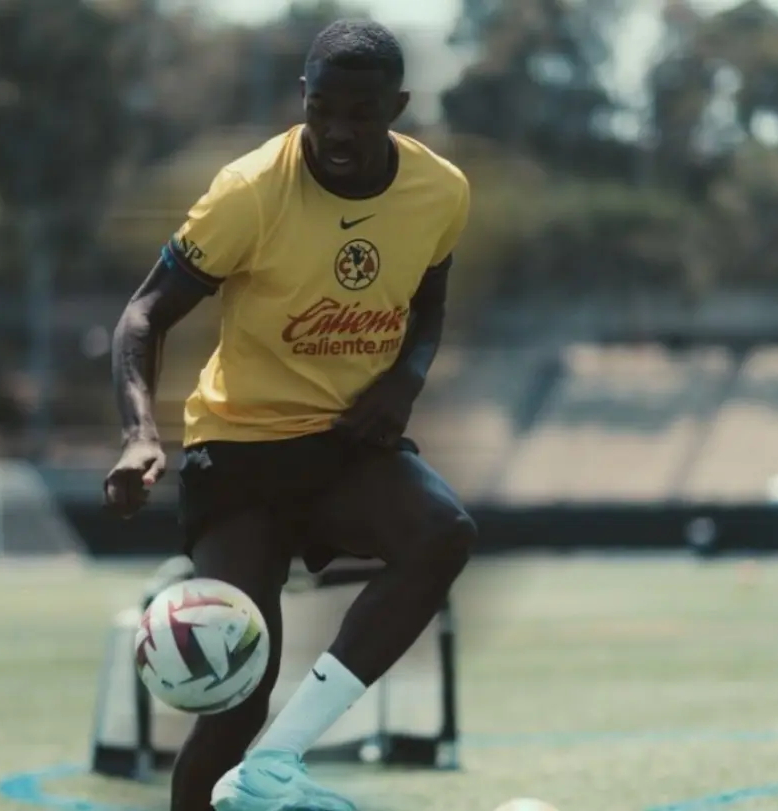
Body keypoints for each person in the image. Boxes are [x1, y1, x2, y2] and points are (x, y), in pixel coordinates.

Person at [103, 18, 474, 811]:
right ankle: (246, 757)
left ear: (398, 106)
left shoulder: (441, 191)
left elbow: (429, 298)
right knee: (239, 681)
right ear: (303, 98)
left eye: (362, 112)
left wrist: (404, 380)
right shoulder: (247, 193)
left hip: (347, 446)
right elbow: (142, 316)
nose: (339, 131)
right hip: (240, 454)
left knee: (442, 532)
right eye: (324, 109)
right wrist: (140, 435)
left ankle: (275, 761)